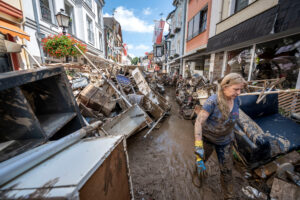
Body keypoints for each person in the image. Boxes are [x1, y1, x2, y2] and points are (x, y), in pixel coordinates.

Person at [194, 73, 246, 200]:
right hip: (208, 139)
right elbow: (198, 123)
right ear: (225, 87)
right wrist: (198, 145)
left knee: (227, 170)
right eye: (236, 89)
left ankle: (228, 196)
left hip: (225, 141)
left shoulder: (237, 100)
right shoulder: (212, 101)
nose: (239, 92)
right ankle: (197, 174)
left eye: (240, 89)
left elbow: (234, 119)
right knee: (201, 160)